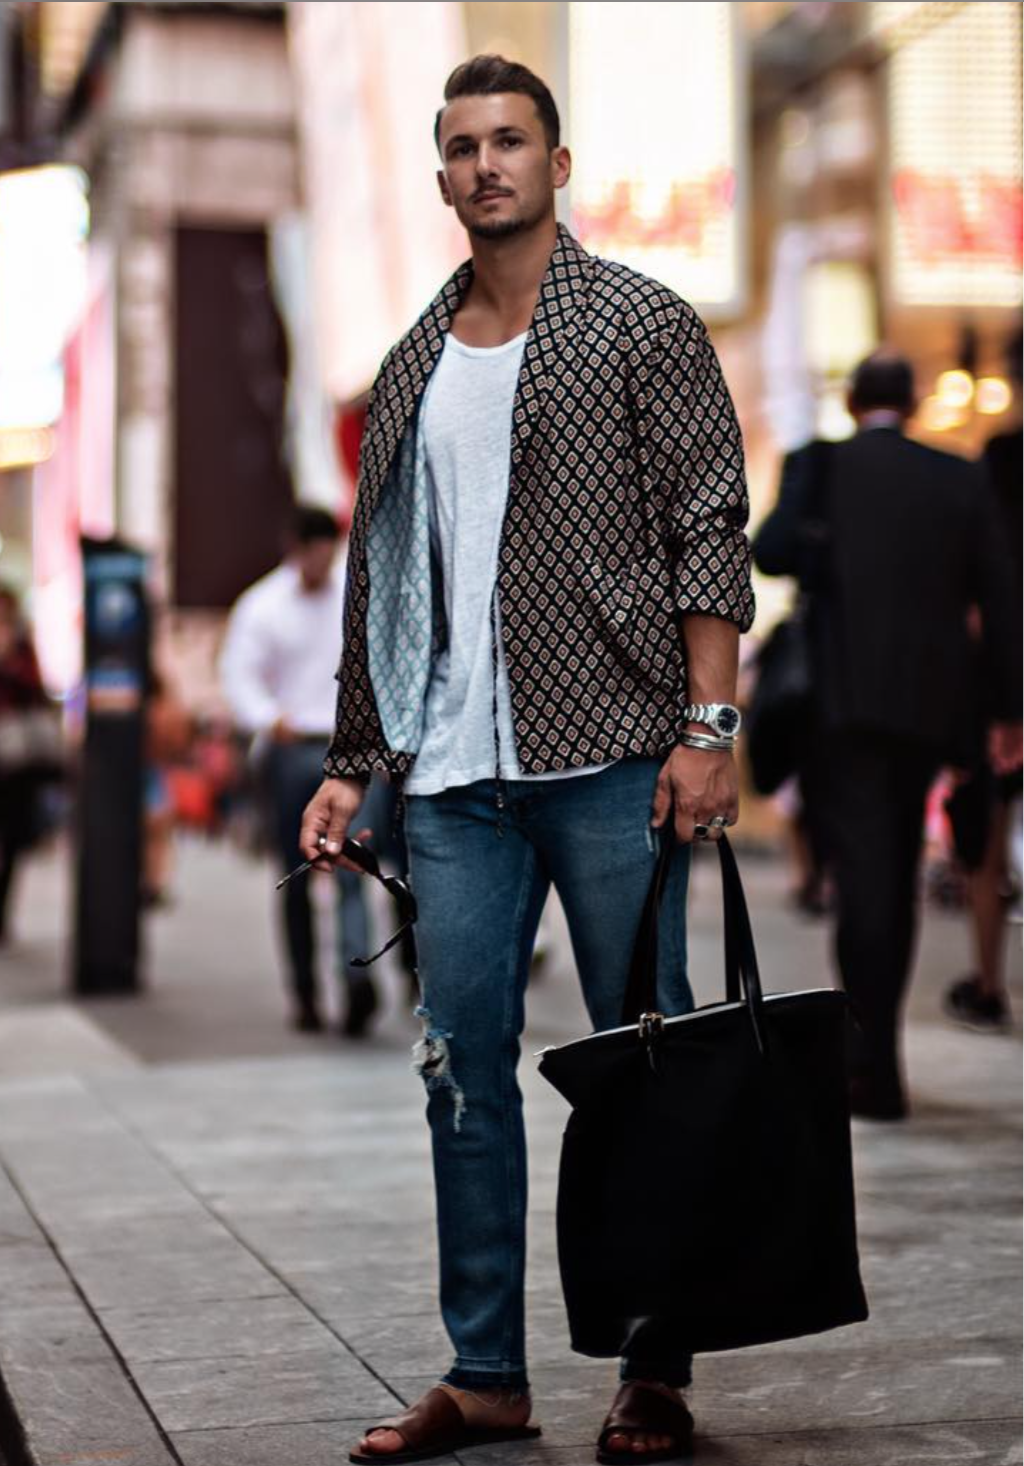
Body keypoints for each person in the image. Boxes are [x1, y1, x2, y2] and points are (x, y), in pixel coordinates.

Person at [299, 57, 754, 1465]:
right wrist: (353, 760)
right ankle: (486, 1371)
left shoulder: (638, 322)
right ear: (441, 178)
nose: (486, 162)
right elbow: (384, 577)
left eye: (510, 140)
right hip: (451, 779)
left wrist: (710, 727)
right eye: (462, 147)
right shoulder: (415, 363)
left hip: (617, 751)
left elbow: (708, 524)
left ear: (559, 163)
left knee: (642, 1059)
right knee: (459, 1067)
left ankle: (655, 1364)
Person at [754, 351, 1020, 1121]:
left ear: (854, 401)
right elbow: (1000, 596)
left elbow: (769, 552)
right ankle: (877, 1062)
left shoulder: (820, 466)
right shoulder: (958, 475)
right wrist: (1008, 711)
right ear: (913, 402)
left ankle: (868, 1067)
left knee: (865, 884)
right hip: (929, 709)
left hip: (840, 705)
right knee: (890, 875)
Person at [220, 505, 380, 1037]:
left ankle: (357, 977)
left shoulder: (354, 594)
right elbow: (239, 677)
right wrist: (271, 718)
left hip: (348, 751)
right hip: (292, 750)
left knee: (355, 861)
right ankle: (306, 991)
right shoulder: (262, 606)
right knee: (294, 871)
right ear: (294, 549)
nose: (318, 561)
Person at [944, 420, 1023, 1030]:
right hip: (1001, 696)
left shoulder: (997, 469)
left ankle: (991, 985)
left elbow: (990, 611)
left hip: (1000, 698)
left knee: (988, 853)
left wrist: (1002, 711)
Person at [0, 587, 53, 944]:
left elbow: (36, 694)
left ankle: (2, 914)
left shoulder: (22, 650)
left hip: (16, 761)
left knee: (12, 840)